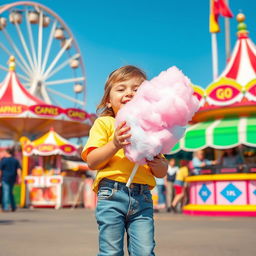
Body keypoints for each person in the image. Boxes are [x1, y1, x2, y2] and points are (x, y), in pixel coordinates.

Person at [81, 65, 168, 256]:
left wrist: (158, 162)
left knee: (145, 251)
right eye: (121, 89)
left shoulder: (150, 129)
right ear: (108, 101)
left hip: (143, 196)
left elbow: (161, 172)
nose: (129, 93)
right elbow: (93, 162)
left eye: (137, 89)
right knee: (111, 251)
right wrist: (115, 144)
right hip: (111, 193)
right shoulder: (104, 123)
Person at [0, 148, 22, 212]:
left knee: (6, 192)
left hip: (5, 178)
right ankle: (13, 207)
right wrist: (20, 177)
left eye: (4, 152)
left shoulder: (4, 160)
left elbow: (0, 170)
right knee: (10, 192)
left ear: (7, 152)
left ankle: (6, 207)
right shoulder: (15, 160)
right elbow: (18, 169)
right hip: (13, 178)